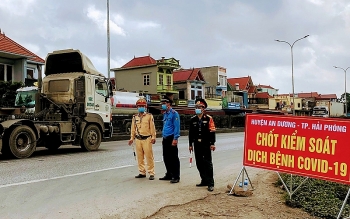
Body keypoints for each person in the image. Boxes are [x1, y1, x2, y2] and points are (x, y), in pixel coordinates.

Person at [188, 98, 216, 192]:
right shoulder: (193, 120)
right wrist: (190, 144)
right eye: (196, 107)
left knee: (207, 163)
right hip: (197, 144)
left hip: (206, 143)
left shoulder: (209, 118)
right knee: (199, 163)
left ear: (204, 108)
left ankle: (210, 183)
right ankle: (203, 180)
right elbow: (190, 133)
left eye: (199, 107)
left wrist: (212, 143)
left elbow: (212, 131)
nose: (197, 109)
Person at [128, 97, 157, 180]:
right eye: (140, 106)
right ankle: (142, 172)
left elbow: (152, 128)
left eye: (143, 106)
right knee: (140, 157)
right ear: (137, 107)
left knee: (149, 156)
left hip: (147, 138)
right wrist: (131, 138)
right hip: (138, 139)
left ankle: (151, 173)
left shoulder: (149, 116)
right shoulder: (135, 117)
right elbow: (133, 129)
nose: (141, 107)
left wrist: (153, 137)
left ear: (145, 107)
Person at [159, 95, 181, 183]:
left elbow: (176, 127)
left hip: (172, 138)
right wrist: (163, 137)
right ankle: (169, 174)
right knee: (166, 157)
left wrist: (175, 138)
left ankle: (176, 176)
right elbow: (165, 126)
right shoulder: (165, 114)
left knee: (174, 157)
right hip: (165, 138)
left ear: (169, 104)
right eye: (162, 103)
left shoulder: (174, 114)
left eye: (164, 103)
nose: (163, 105)